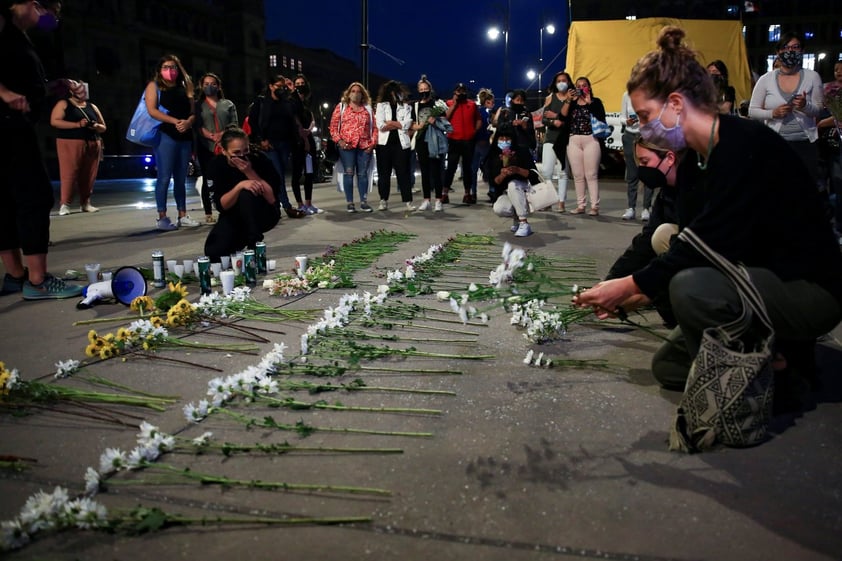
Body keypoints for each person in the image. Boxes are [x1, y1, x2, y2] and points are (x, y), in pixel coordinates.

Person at [574, 25, 842, 392]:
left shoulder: (742, 144)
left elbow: (706, 245)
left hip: (806, 288)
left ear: (675, 105)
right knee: (669, 368)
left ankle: (777, 368)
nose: (643, 128)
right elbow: (690, 244)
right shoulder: (692, 163)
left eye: (645, 114)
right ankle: (765, 354)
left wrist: (629, 286)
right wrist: (631, 297)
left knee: (690, 287)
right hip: (753, 273)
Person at [0, 0, 83, 299]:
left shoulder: (19, 35)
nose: (53, 22)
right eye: (53, 14)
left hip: (13, 124)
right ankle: (38, 281)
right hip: (8, 124)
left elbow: (25, 82)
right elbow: (11, 87)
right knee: (34, 195)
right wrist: (4, 93)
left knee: (8, 199)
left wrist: (55, 86)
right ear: (36, 5)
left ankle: (15, 274)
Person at [606, 138, 704, 327]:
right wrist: (611, 282)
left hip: (722, 267)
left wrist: (641, 291)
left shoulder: (697, 187)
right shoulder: (668, 192)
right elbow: (644, 242)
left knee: (664, 236)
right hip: (693, 256)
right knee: (657, 237)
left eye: (644, 162)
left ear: (669, 158)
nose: (641, 170)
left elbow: (688, 248)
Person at [749, 32, 824, 183]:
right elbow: (752, 110)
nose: (790, 51)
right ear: (778, 52)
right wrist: (773, 113)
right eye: (785, 47)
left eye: (795, 47)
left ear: (802, 51)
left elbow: (819, 109)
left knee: (805, 187)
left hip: (805, 143)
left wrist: (805, 106)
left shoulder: (813, 77)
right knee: (776, 187)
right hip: (775, 143)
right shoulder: (765, 79)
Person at [203, 127, 281, 262]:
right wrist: (239, 186)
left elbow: (271, 198)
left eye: (246, 151)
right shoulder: (216, 165)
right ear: (224, 151)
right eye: (236, 153)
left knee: (247, 193)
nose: (242, 156)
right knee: (214, 251)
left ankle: (254, 246)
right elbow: (222, 206)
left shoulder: (259, 159)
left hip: (263, 212)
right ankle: (239, 242)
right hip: (234, 214)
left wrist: (249, 173)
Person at [144, 54, 200, 231]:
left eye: (173, 67)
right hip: (165, 135)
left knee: (181, 179)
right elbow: (152, 111)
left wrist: (189, 122)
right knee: (164, 177)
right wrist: (175, 121)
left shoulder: (186, 86)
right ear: (159, 70)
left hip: (184, 136)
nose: (170, 71)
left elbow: (193, 111)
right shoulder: (154, 86)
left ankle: (183, 215)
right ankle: (162, 217)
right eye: (166, 67)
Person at [248, 75, 306, 218]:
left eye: (283, 87)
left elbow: (298, 110)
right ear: (271, 86)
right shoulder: (262, 102)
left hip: (285, 143)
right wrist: (261, 139)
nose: (280, 89)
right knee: (278, 175)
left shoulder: (286, 102)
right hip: (269, 144)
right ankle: (285, 206)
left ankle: (273, 205)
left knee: (277, 176)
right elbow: (253, 122)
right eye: (278, 86)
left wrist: (293, 91)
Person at [50, 84, 106, 216]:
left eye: (84, 90)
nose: (83, 92)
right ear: (71, 91)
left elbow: (103, 127)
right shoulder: (64, 104)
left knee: (89, 174)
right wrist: (76, 125)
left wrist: (96, 126)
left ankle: (85, 203)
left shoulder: (92, 106)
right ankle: (65, 204)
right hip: (70, 142)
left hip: (93, 142)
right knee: (69, 172)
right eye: (79, 89)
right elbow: (54, 121)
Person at [194, 72, 238, 224]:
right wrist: (210, 136)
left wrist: (222, 135)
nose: (209, 87)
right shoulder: (198, 105)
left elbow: (234, 123)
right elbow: (197, 125)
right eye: (206, 84)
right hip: (206, 146)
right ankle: (208, 212)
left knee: (226, 177)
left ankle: (227, 208)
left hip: (225, 146)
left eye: (212, 84)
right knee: (208, 180)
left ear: (218, 86)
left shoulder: (228, 104)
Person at [329, 81, 377, 213]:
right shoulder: (341, 107)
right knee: (348, 173)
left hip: (364, 146)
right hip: (347, 147)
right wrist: (339, 141)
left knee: (363, 174)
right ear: (348, 94)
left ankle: (364, 202)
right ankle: (350, 203)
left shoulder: (367, 109)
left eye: (359, 91)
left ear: (363, 95)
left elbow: (374, 128)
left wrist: (372, 144)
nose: (356, 94)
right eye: (353, 91)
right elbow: (333, 127)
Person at [561, 76, 606, 216]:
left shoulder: (596, 102)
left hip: (591, 139)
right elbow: (562, 116)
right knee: (578, 175)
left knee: (591, 174)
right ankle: (581, 205)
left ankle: (595, 206)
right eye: (578, 86)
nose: (581, 88)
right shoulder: (572, 103)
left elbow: (601, 118)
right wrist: (568, 100)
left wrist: (589, 102)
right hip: (574, 139)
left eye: (584, 85)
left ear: (589, 87)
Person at [489, 125, 540, 237]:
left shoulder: (521, 151)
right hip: (506, 193)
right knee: (499, 208)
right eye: (501, 139)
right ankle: (516, 218)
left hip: (525, 191)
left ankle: (524, 223)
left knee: (513, 184)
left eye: (507, 139)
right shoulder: (493, 155)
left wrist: (517, 170)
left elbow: (533, 175)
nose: (504, 141)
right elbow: (494, 182)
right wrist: (502, 174)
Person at [410, 75, 450, 212]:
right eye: (421, 89)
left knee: (436, 172)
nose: (423, 91)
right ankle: (426, 199)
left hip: (434, 141)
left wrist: (436, 122)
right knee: (424, 172)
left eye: (425, 89)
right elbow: (411, 124)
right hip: (421, 141)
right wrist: (416, 127)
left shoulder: (437, 104)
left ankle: (438, 200)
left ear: (430, 89)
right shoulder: (415, 106)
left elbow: (445, 122)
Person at [374, 80, 414, 212]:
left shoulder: (405, 106)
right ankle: (383, 200)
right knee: (384, 174)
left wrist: (391, 122)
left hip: (401, 145)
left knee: (403, 173)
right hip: (384, 145)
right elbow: (381, 126)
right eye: (390, 91)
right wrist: (398, 124)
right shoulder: (381, 106)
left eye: (395, 91)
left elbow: (407, 124)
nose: (393, 94)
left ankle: (408, 201)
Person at [443, 82, 481, 204]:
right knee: (451, 167)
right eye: (458, 91)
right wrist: (454, 104)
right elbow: (444, 118)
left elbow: (478, 119)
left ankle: (467, 194)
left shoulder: (472, 104)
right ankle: (444, 193)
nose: (461, 93)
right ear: (454, 92)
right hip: (454, 140)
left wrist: (474, 131)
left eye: (463, 91)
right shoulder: (448, 103)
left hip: (468, 140)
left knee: (467, 168)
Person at [291, 74, 322, 215]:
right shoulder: (291, 101)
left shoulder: (309, 102)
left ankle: (309, 203)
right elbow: (294, 118)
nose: (299, 85)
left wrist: (309, 130)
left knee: (309, 173)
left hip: (308, 137)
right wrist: (303, 135)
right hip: (297, 139)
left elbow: (313, 118)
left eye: (302, 83)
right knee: (297, 173)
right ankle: (300, 204)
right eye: (297, 83)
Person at [541, 71, 572, 213]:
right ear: (555, 83)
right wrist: (555, 121)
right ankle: (547, 200)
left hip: (566, 139)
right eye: (559, 80)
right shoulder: (549, 98)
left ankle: (561, 202)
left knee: (563, 171)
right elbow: (544, 119)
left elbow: (572, 120)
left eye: (564, 80)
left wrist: (560, 121)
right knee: (547, 171)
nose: (561, 83)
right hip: (551, 138)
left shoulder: (572, 99)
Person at [818, 61, 842, 242]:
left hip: (836, 145)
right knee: (830, 183)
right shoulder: (829, 90)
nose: (838, 72)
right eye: (836, 69)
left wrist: (822, 123)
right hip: (828, 145)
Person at [619, 90, 652, 221]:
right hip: (629, 135)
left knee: (648, 172)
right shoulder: (626, 95)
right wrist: (626, 121)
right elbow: (621, 117)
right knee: (632, 173)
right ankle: (631, 207)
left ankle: (646, 208)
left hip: (645, 135)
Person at [492, 88, 535, 155]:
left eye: (522, 101)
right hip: (507, 146)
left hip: (523, 147)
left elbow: (531, 131)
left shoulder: (527, 113)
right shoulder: (505, 112)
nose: (519, 103)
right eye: (517, 100)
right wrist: (512, 123)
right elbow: (499, 126)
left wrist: (525, 127)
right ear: (512, 100)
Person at [470, 88, 494, 203]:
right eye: (491, 102)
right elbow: (488, 127)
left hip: (474, 143)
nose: (493, 104)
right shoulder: (486, 113)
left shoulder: (476, 111)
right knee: (489, 168)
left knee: (473, 170)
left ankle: (473, 193)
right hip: (484, 143)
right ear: (487, 101)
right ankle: (492, 191)